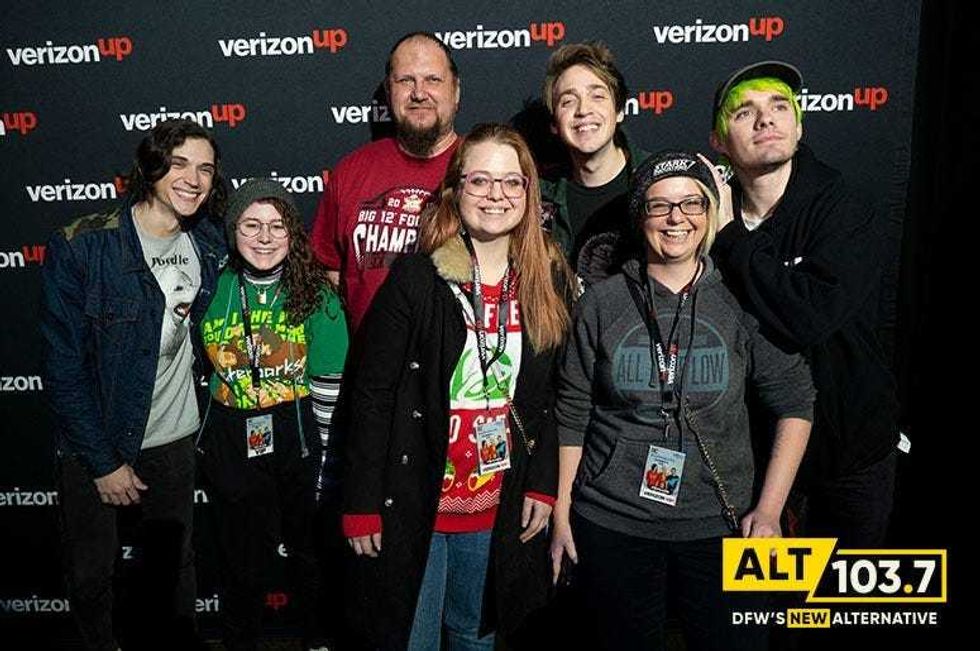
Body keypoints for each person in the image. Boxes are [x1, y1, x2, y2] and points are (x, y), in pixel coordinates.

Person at [551, 151, 814, 650]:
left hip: (723, 524)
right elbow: (572, 410)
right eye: (660, 206)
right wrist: (563, 512)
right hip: (612, 521)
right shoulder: (601, 302)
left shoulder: (742, 296)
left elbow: (796, 401)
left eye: (692, 203)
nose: (677, 218)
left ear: (711, 214)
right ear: (640, 217)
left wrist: (771, 509)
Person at [341, 123, 573, 650]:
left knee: (475, 636)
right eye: (481, 181)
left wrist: (541, 482)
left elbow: (554, 396)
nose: (496, 195)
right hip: (416, 499)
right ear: (455, 190)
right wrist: (360, 503)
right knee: (413, 640)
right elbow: (371, 395)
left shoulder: (547, 282)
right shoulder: (417, 279)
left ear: (529, 193)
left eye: (512, 183)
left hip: (498, 500)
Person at [41, 119, 226, 650]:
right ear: (151, 166)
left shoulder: (210, 243)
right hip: (95, 444)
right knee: (92, 575)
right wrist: (103, 461)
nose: (194, 178)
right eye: (180, 163)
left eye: (206, 168)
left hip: (174, 440)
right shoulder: (83, 247)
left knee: (174, 573)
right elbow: (63, 368)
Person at [708, 61, 901, 546]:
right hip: (756, 466)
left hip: (850, 460)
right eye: (744, 112)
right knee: (766, 610)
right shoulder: (704, 215)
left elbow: (810, 316)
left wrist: (732, 239)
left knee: (840, 611)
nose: (766, 119)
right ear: (718, 142)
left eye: (779, 107)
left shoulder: (843, 206)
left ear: (799, 124)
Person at [196, 179, 348, 651]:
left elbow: (329, 385)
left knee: (310, 555)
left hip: (299, 436)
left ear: (293, 232)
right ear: (232, 230)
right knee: (240, 561)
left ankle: (318, 639)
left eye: (277, 226)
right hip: (231, 437)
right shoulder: (210, 285)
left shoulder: (315, 294)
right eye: (251, 225)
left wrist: (323, 463)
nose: (264, 237)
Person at [311, 31, 462, 332]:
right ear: (388, 89)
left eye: (433, 80)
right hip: (372, 367)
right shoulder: (351, 170)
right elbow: (329, 264)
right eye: (406, 80)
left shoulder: (484, 167)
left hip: (461, 367)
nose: (419, 93)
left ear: (456, 91)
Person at [540, 41, 650, 286]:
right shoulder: (537, 197)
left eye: (597, 96)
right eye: (568, 101)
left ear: (620, 110)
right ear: (554, 124)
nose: (583, 110)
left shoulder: (656, 182)